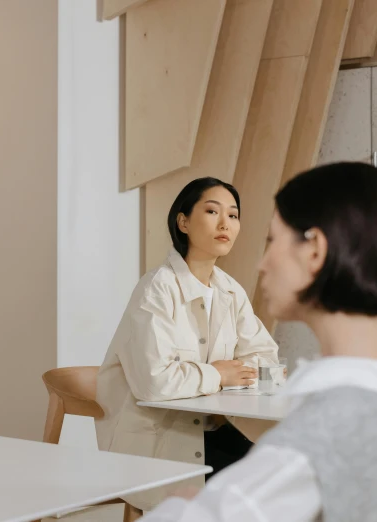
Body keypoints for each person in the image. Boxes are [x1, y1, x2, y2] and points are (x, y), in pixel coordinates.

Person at [141, 162, 377, 522]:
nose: (262, 263)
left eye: (273, 240)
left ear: (314, 250)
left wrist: (186, 509)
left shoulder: (317, 437)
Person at [95, 177, 280, 512]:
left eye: (234, 216)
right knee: (253, 496)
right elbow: (155, 382)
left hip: (209, 433)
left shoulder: (230, 290)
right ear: (183, 221)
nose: (225, 223)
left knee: (285, 476)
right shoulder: (157, 289)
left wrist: (229, 374)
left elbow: (263, 355)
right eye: (212, 211)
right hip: (159, 443)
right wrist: (218, 375)